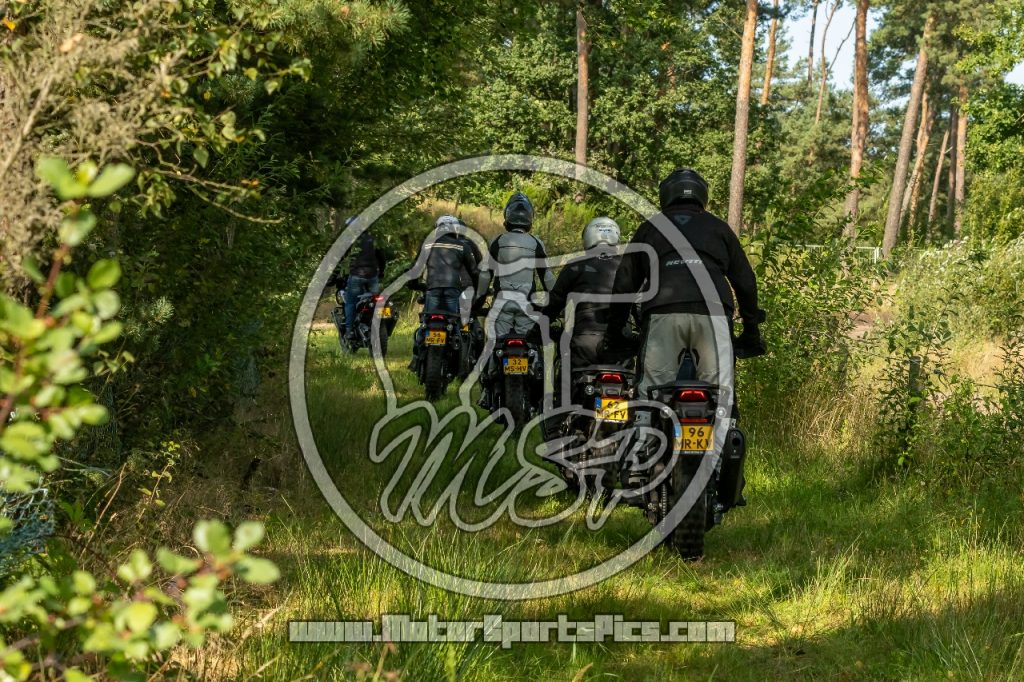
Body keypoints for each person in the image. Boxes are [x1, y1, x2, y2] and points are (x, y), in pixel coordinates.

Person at [606, 167, 765, 400]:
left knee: (651, 393)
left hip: (663, 311)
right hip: (714, 312)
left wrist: (615, 330)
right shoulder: (719, 228)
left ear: (666, 194)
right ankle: (724, 421)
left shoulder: (650, 228)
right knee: (721, 394)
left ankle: (648, 421)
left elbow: (624, 283)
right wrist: (751, 329)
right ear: (702, 194)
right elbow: (746, 282)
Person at [477, 191, 555, 408]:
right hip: (526, 307)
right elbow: (547, 277)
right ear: (530, 218)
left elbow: (485, 275)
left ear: (507, 216)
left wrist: (479, 299)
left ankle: (486, 390)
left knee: (494, 344)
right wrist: (556, 299)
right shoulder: (536, 242)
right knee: (532, 346)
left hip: (501, 305)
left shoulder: (498, 241)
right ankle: (538, 388)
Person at [543, 216, 623, 374]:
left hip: (585, 338)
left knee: (570, 381)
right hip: (619, 340)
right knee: (630, 381)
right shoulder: (628, 265)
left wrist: (538, 328)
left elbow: (555, 301)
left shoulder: (575, 266)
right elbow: (640, 303)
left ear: (588, 237)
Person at [343, 231, 387, 341]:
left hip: (357, 275)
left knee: (351, 302)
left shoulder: (351, 237)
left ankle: (349, 330)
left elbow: (342, 255)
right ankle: (380, 322)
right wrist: (381, 271)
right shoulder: (374, 236)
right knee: (376, 302)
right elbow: (382, 256)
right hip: (372, 275)